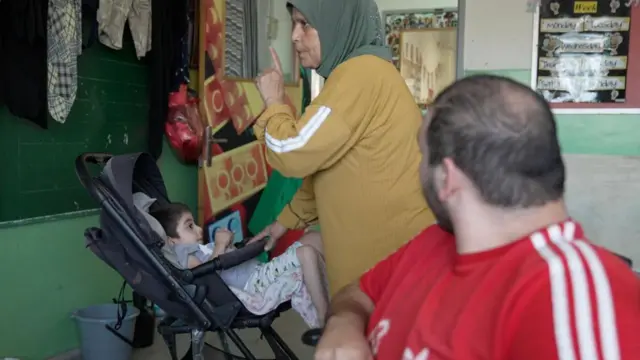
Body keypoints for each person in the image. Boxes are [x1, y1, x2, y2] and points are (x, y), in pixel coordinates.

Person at [315, 75, 640, 359]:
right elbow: (358, 292)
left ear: (448, 178)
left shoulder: (567, 292)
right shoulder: (434, 242)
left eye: (422, 156)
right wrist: (343, 326)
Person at [249, 0, 435, 296]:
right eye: (294, 24)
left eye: (305, 24)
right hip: (390, 263)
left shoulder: (359, 74)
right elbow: (330, 168)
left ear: (338, 24)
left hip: (387, 267)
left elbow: (292, 151)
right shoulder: (362, 73)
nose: (295, 36)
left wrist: (275, 102)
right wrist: (284, 222)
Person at [150, 203, 329, 326]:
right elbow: (204, 277)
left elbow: (224, 262)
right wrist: (220, 246)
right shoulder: (183, 254)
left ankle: (337, 298)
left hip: (260, 272)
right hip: (254, 285)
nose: (198, 229)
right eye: (189, 226)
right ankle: (325, 321)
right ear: (171, 241)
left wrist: (234, 248)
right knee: (306, 254)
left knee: (314, 238)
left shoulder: (201, 249)